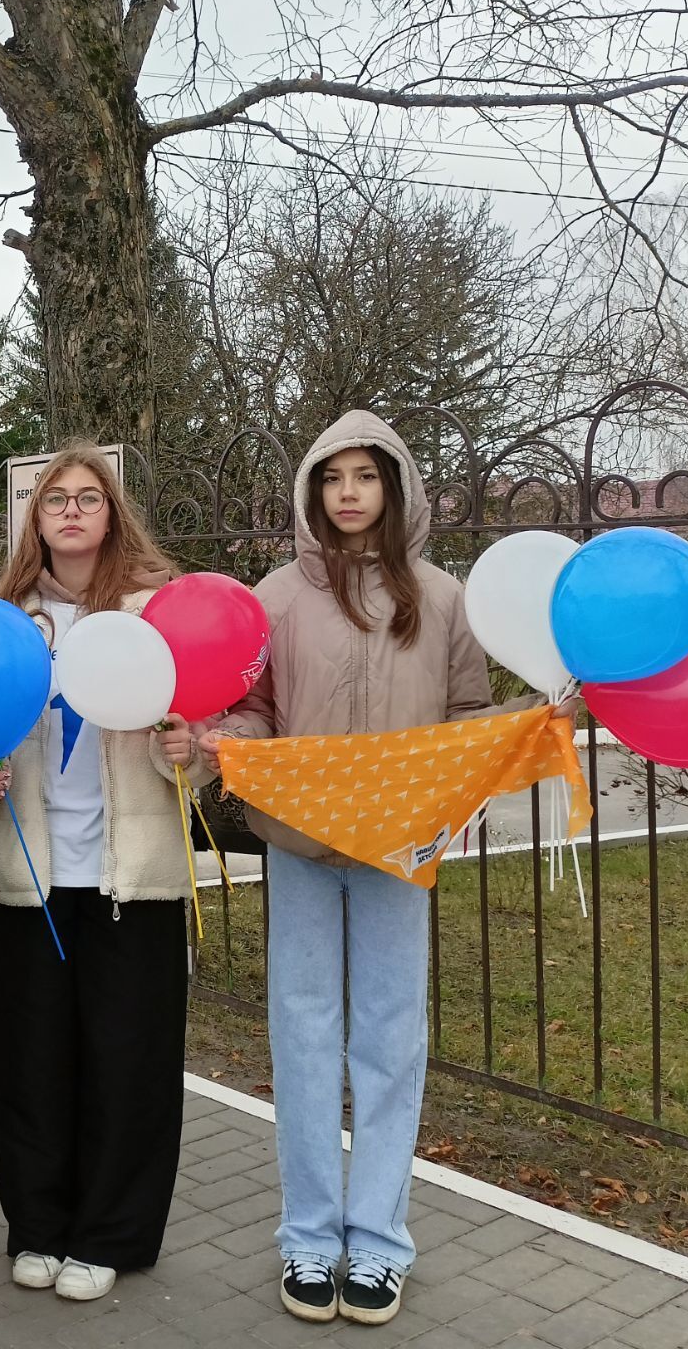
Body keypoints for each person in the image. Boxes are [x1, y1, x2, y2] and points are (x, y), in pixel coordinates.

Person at [200, 410, 565, 1327]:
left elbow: (468, 716)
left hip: (402, 850)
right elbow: (250, 706)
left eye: (367, 475)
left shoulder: (442, 599)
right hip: (300, 844)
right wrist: (217, 741)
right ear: (313, 491)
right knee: (305, 1032)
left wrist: (530, 725)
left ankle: (380, 1243)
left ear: (395, 488)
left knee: (392, 1041)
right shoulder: (275, 597)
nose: (350, 491)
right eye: (334, 477)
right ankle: (310, 1238)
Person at [0, 443, 207, 1302]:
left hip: (135, 879)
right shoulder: (3, 619)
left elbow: (198, 737)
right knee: (32, 1061)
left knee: (128, 1060)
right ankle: (39, 1226)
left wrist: (190, 750)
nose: (70, 511)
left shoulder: (154, 611)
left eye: (88, 497)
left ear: (112, 512)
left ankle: (110, 1236)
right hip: (33, 878)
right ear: (36, 515)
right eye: (55, 498)